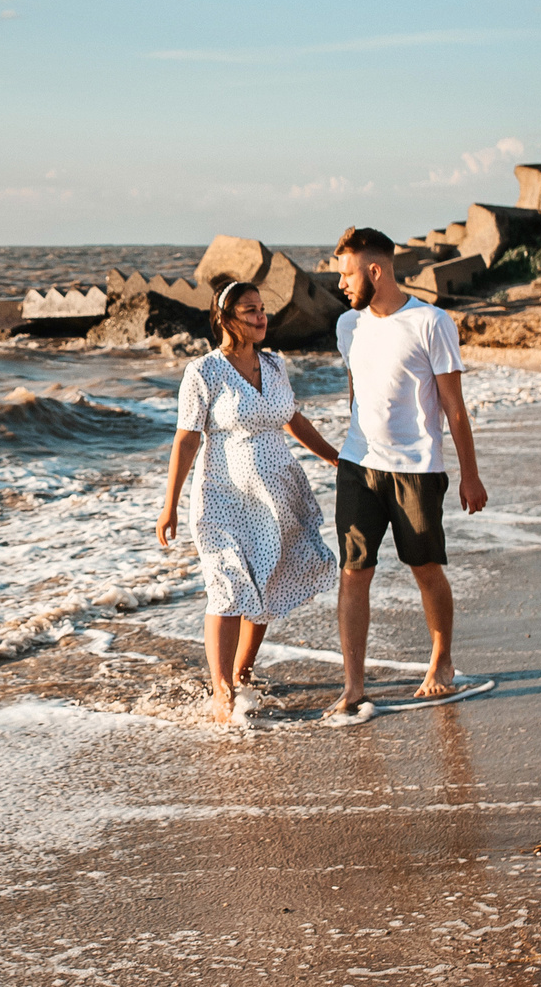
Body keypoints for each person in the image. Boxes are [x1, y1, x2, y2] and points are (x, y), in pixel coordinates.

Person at [156, 280, 342, 724]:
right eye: (250, 310)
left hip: (274, 494)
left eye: (263, 309)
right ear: (226, 318)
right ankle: (221, 691)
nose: (261, 317)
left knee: (265, 582)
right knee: (225, 587)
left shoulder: (275, 365)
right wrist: (170, 505)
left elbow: (293, 418)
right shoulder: (203, 372)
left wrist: (335, 457)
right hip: (222, 497)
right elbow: (186, 440)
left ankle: (242, 673)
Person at [327, 226, 488, 715]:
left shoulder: (431, 322)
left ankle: (441, 660)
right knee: (354, 572)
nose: (341, 285)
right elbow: (357, 389)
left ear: (375, 270)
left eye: (347, 274)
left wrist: (470, 474)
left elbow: (454, 408)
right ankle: (353, 685)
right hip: (358, 465)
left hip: (416, 469)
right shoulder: (347, 326)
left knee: (424, 568)